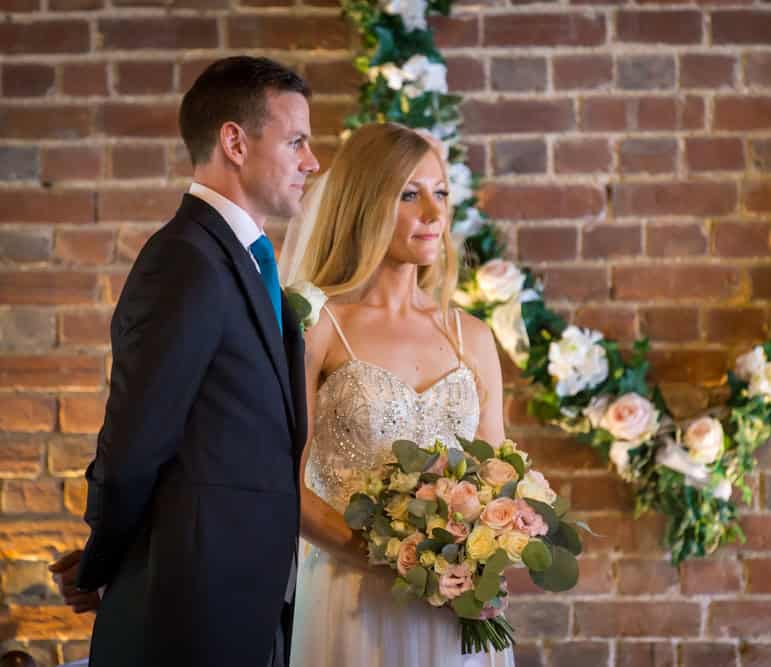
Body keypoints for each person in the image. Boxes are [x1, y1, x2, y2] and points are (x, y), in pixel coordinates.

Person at [48, 56, 319, 667]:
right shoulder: (184, 260)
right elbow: (135, 443)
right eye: (297, 140)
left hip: (243, 602)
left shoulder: (239, 259)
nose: (312, 161)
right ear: (235, 141)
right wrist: (100, 563)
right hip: (188, 609)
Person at [279, 122, 514, 666]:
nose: (434, 215)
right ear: (364, 204)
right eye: (410, 194)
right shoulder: (317, 328)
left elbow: (500, 478)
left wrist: (485, 561)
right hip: (352, 598)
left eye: (441, 194)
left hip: (456, 608)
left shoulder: (472, 337)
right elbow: (283, 484)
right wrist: (400, 560)